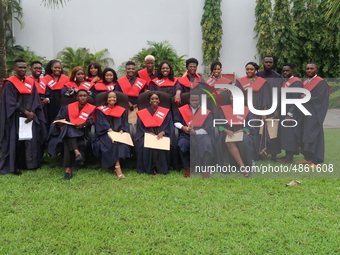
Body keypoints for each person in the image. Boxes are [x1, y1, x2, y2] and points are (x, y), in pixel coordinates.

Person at [0, 59, 47, 175]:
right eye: (20, 67)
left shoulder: (30, 82)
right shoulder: (10, 83)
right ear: (14, 68)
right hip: (15, 117)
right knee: (15, 142)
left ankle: (30, 164)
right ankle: (15, 166)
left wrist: (33, 112)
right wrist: (26, 112)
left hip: (30, 117)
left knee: (30, 141)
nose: (23, 70)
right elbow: (9, 102)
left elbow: (35, 99)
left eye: (24, 67)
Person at [47, 89, 96, 180]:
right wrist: (60, 125)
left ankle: (68, 169)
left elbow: (91, 120)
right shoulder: (67, 108)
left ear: (88, 97)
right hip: (69, 132)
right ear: (77, 97)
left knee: (67, 133)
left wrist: (81, 125)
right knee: (67, 129)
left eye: (84, 96)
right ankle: (76, 155)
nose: (82, 97)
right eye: (80, 96)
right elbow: (58, 119)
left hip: (83, 132)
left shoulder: (92, 109)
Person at [295, 63, 330, 168]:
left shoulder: (321, 83)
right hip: (305, 113)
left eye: (311, 68)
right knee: (305, 134)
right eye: (307, 68)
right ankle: (308, 158)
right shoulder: (305, 82)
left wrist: (306, 97)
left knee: (314, 135)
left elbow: (321, 98)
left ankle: (316, 161)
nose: (309, 70)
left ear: (316, 70)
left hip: (315, 113)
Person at [174, 90, 214, 178]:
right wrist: (183, 127)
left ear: (200, 100)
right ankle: (188, 168)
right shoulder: (182, 110)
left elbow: (208, 127)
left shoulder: (205, 111)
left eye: (196, 100)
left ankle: (205, 170)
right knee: (182, 143)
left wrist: (195, 132)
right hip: (186, 134)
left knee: (207, 144)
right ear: (189, 100)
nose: (194, 102)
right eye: (192, 100)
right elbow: (176, 122)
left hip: (202, 135)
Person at [235, 62, 270, 160]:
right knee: (244, 130)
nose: (249, 71)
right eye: (247, 69)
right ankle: (244, 153)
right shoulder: (240, 81)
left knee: (256, 131)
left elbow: (265, 97)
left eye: (251, 69)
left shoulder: (262, 82)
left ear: (256, 70)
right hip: (244, 110)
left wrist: (265, 111)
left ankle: (256, 154)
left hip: (257, 110)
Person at [216, 92, 255, 177]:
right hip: (227, 132)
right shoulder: (223, 110)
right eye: (232, 97)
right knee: (228, 141)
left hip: (242, 132)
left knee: (244, 140)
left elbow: (251, 125)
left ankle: (248, 163)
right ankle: (242, 167)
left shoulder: (247, 110)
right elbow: (218, 125)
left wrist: (243, 130)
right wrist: (226, 131)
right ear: (229, 99)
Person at [92, 91, 130, 178]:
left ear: (116, 99)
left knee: (120, 143)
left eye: (114, 97)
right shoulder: (101, 110)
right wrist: (110, 130)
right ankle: (118, 167)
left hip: (118, 133)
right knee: (112, 143)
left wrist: (121, 130)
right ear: (106, 99)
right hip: (105, 133)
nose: (112, 99)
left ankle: (113, 164)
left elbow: (125, 123)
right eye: (110, 97)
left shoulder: (121, 110)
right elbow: (101, 123)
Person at [135, 91, 174, 175]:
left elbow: (169, 125)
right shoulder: (143, 113)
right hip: (146, 134)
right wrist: (148, 133)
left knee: (161, 143)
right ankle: (150, 169)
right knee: (145, 144)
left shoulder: (166, 112)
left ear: (159, 100)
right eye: (152, 99)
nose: (154, 100)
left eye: (156, 98)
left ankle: (160, 168)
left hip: (162, 133)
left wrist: (163, 132)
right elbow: (140, 127)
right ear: (149, 101)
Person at [257, 55, 282, 161]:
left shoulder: (277, 76)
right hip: (260, 107)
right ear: (263, 63)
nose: (268, 64)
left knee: (273, 132)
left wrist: (277, 109)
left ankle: (274, 155)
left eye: (270, 62)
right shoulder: (258, 75)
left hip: (273, 106)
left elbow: (279, 94)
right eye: (266, 62)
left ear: (273, 63)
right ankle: (261, 153)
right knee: (261, 132)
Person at [278, 64, 303, 164]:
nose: (285, 72)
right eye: (283, 71)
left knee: (291, 134)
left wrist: (290, 114)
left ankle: (289, 158)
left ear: (292, 71)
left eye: (287, 71)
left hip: (292, 113)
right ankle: (287, 155)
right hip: (285, 111)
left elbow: (296, 99)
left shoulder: (296, 82)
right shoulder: (286, 82)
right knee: (286, 134)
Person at [41, 60, 69, 129]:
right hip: (51, 105)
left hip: (63, 103)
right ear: (51, 68)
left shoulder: (66, 79)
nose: (57, 69)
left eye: (59, 68)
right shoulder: (45, 79)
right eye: (55, 67)